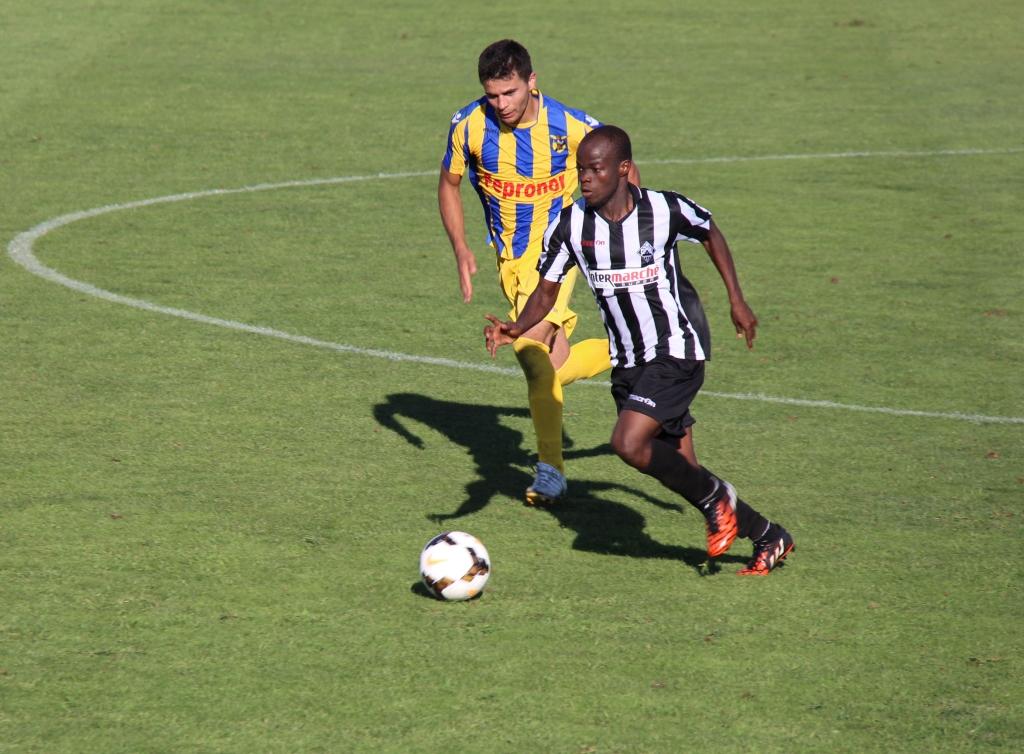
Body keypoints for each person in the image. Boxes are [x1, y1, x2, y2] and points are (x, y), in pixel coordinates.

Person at [484, 125, 795, 575]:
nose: (584, 179)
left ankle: (717, 501)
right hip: (627, 363)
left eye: (595, 169)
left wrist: (736, 299)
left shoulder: (664, 210)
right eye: (580, 171)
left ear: (623, 169)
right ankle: (769, 535)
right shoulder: (572, 224)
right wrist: (517, 327)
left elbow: (710, 231)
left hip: (675, 351)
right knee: (683, 469)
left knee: (627, 443)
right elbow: (547, 291)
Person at [438, 39, 640, 505]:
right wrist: (461, 247)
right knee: (555, 367)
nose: (501, 104)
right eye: (492, 95)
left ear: (532, 81)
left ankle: (550, 468)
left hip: (560, 250)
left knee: (530, 349)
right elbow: (448, 184)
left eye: (509, 92)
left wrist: (627, 236)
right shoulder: (468, 126)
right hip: (511, 261)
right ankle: (629, 346)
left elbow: (626, 173)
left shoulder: (570, 125)